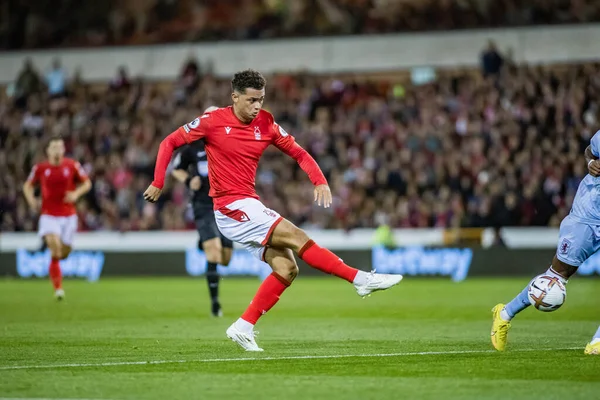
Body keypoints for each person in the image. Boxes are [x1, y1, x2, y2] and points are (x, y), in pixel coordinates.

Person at [144, 69, 403, 351]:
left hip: (248, 203)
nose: (257, 106)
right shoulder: (212, 121)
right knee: (295, 235)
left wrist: (319, 180)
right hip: (230, 206)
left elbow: (299, 152)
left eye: (261, 100)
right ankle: (360, 279)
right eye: (252, 100)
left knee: (287, 268)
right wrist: (158, 182)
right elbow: (168, 142)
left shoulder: (266, 122)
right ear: (235, 97)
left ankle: (243, 327)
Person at [491, 130, 600, 356]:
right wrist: (590, 162)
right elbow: (590, 150)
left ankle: (598, 341)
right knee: (558, 274)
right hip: (589, 214)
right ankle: (504, 314)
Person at [171, 106, 233, 317]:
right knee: (214, 252)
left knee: (225, 258)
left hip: (226, 205)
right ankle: (215, 304)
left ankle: (202, 242)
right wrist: (189, 180)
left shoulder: (229, 143)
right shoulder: (192, 147)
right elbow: (176, 168)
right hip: (203, 205)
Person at [23, 136, 92, 300]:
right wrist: (32, 200)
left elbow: (87, 183)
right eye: (53, 147)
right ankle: (58, 289)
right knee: (54, 248)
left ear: (63, 150)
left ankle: (56, 264)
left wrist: (76, 193)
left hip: (68, 215)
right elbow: (27, 185)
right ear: (48, 151)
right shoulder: (40, 168)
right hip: (48, 215)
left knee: (64, 252)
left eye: (59, 147)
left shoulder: (72, 165)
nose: (57, 150)